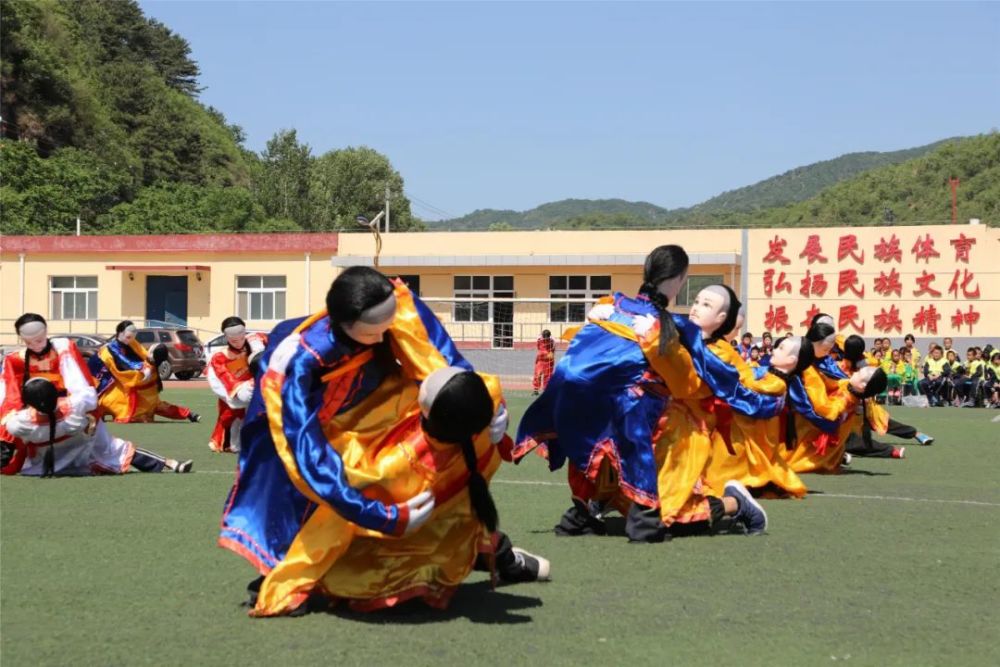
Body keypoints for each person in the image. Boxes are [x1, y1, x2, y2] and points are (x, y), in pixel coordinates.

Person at [220, 268, 548, 616]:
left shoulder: (392, 303)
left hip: (382, 406)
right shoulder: (297, 364)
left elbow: (439, 356)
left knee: (444, 460)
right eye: (373, 333)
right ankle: (282, 569)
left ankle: (490, 549)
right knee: (307, 494)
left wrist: (481, 402)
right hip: (303, 427)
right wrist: (381, 516)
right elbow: (308, 456)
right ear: (345, 323)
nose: (383, 339)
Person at [1, 314, 192, 476]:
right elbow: (10, 397)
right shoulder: (16, 361)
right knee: (111, 448)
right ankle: (170, 463)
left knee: (109, 447)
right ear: (22, 339)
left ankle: (168, 463)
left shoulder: (62, 349)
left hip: (69, 411)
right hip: (47, 414)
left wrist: (86, 411)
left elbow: (80, 383)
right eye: (30, 340)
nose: (36, 345)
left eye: (40, 338)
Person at [89, 320, 200, 424]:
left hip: (122, 378)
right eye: (128, 337)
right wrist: (143, 367)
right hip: (105, 377)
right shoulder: (110, 349)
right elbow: (124, 362)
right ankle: (99, 410)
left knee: (153, 403)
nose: (130, 340)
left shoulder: (131, 343)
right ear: (120, 333)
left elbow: (142, 353)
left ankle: (186, 413)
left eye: (132, 337)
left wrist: (150, 362)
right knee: (118, 401)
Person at [207, 317, 267, 453]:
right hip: (236, 390)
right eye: (234, 340)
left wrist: (258, 349)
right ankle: (235, 444)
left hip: (261, 385)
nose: (239, 342)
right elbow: (223, 379)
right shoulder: (219, 357)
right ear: (226, 337)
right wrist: (238, 392)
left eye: (242, 337)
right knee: (235, 417)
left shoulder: (255, 341)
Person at [532, 329, 556, 395]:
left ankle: (546, 389)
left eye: (546, 337)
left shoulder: (552, 341)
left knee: (548, 376)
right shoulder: (539, 340)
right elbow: (538, 347)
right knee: (537, 375)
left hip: (549, 361)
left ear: (549, 336)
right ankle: (536, 389)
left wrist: (549, 354)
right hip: (540, 360)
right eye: (544, 337)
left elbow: (553, 349)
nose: (545, 339)